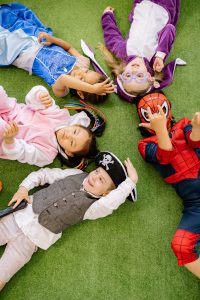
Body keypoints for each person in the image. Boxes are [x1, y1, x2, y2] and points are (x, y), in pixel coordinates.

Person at [0, 151, 138, 290]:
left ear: (106, 193)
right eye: (96, 171)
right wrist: (24, 188)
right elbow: (44, 174)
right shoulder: (74, 174)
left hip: (31, 241)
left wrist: (130, 182)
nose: (95, 177)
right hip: (16, 217)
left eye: (101, 180)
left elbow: (110, 203)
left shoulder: (94, 208)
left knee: (3, 274)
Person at [137, 94, 200, 278]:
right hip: (195, 205)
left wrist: (197, 126)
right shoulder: (144, 145)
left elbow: (195, 141)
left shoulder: (183, 124)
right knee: (180, 245)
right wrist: (159, 131)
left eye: (160, 109)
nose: (157, 114)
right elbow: (166, 156)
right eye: (150, 112)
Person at [0, 3, 115, 101]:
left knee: (7, 39)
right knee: (15, 21)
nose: (81, 73)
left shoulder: (62, 90)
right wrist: (53, 40)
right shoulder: (83, 63)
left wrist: (94, 89)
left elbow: (64, 78)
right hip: (42, 41)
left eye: (83, 79)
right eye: (87, 72)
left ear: (81, 93)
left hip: (25, 54)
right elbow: (69, 48)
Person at [100, 0, 185, 102]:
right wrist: (160, 55)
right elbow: (170, 29)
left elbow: (111, 35)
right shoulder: (156, 60)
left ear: (122, 73)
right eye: (139, 75)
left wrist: (107, 15)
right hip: (165, 8)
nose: (134, 71)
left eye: (128, 75)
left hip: (143, 4)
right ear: (149, 76)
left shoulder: (122, 52)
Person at [0, 85, 98, 167]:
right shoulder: (60, 116)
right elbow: (35, 100)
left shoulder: (47, 154)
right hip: (10, 109)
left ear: (69, 152)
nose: (69, 135)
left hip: (5, 137)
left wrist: (9, 140)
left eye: (72, 142)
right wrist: (40, 96)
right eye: (75, 131)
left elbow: (22, 153)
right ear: (75, 125)